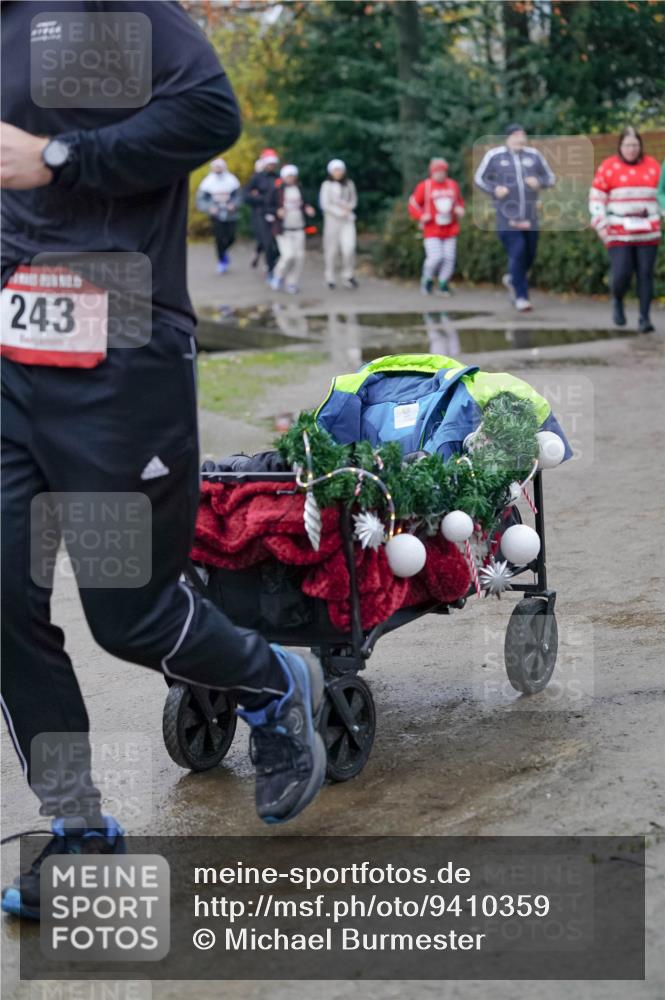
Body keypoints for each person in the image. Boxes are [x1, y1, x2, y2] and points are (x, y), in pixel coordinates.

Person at [0, 1, 326, 920]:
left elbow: (209, 113)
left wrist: (60, 157)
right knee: (1, 605)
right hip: (10, 368)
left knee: (128, 618)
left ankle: (271, 682)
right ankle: (79, 830)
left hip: (117, 362)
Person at [474, 124, 556, 312]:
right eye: (516, 136)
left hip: (530, 215)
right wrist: (494, 189)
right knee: (517, 252)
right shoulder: (495, 156)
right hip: (506, 216)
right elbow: (479, 178)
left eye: (523, 136)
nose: (520, 139)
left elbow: (550, 178)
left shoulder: (534, 155)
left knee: (529, 255)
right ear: (508, 138)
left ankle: (512, 278)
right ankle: (521, 297)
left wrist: (539, 183)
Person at [589, 127, 661, 332]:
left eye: (635, 145)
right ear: (620, 146)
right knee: (621, 273)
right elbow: (596, 198)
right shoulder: (608, 167)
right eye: (628, 145)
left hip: (648, 231)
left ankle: (644, 318)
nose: (632, 149)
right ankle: (618, 299)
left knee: (646, 274)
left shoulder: (653, 166)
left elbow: (661, 196)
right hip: (618, 232)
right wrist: (601, 224)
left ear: (641, 146)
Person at [408, 157, 465, 296]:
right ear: (432, 172)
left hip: (450, 228)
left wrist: (460, 209)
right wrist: (421, 216)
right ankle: (427, 278)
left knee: (449, 258)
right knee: (436, 257)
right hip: (432, 229)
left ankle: (443, 283)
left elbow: (459, 202)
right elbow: (413, 204)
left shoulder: (452, 185)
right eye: (437, 171)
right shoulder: (425, 186)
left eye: (443, 171)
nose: (441, 174)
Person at [267, 165, 315, 295]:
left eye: (293, 175)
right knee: (288, 255)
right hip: (283, 230)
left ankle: (292, 282)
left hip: (299, 228)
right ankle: (278, 275)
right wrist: (277, 211)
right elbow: (268, 207)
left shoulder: (300, 189)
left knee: (299, 257)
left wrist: (308, 209)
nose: (291, 178)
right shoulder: (277, 190)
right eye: (288, 176)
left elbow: (304, 203)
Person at [196, 157, 241, 273]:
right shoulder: (207, 182)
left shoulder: (232, 181)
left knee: (231, 237)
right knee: (219, 238)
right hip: (216, 215)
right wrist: (209, 208)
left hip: (230, 214)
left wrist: (234, 205)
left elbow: (239, 196)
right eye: (216, 167)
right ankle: (221, 260)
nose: (218, 169)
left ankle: (224, 252)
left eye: (220, 167)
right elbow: (200, 200)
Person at [319, 159, 358, 289]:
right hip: (332, 221)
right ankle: (329, 276)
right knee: (331, 250)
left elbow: (353, 199)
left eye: (340, 169)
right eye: (336, 170)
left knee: (349, 248)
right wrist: (339, 212)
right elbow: (325, 204)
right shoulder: (326, 185)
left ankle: (348, 275)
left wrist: (349, 208)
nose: (338, 172)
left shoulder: (349, 184)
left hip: (347, 220)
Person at [243, 148, 281, 278]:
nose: (271, 166)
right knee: (268, 243)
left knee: (277, 245)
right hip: (260, 214)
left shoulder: (278, 177)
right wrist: (262, 199)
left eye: (273, 164)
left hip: (276, 214)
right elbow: (246, 196)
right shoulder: (257, 178)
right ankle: (270, 270)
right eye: (269, 163)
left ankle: (268, 262)